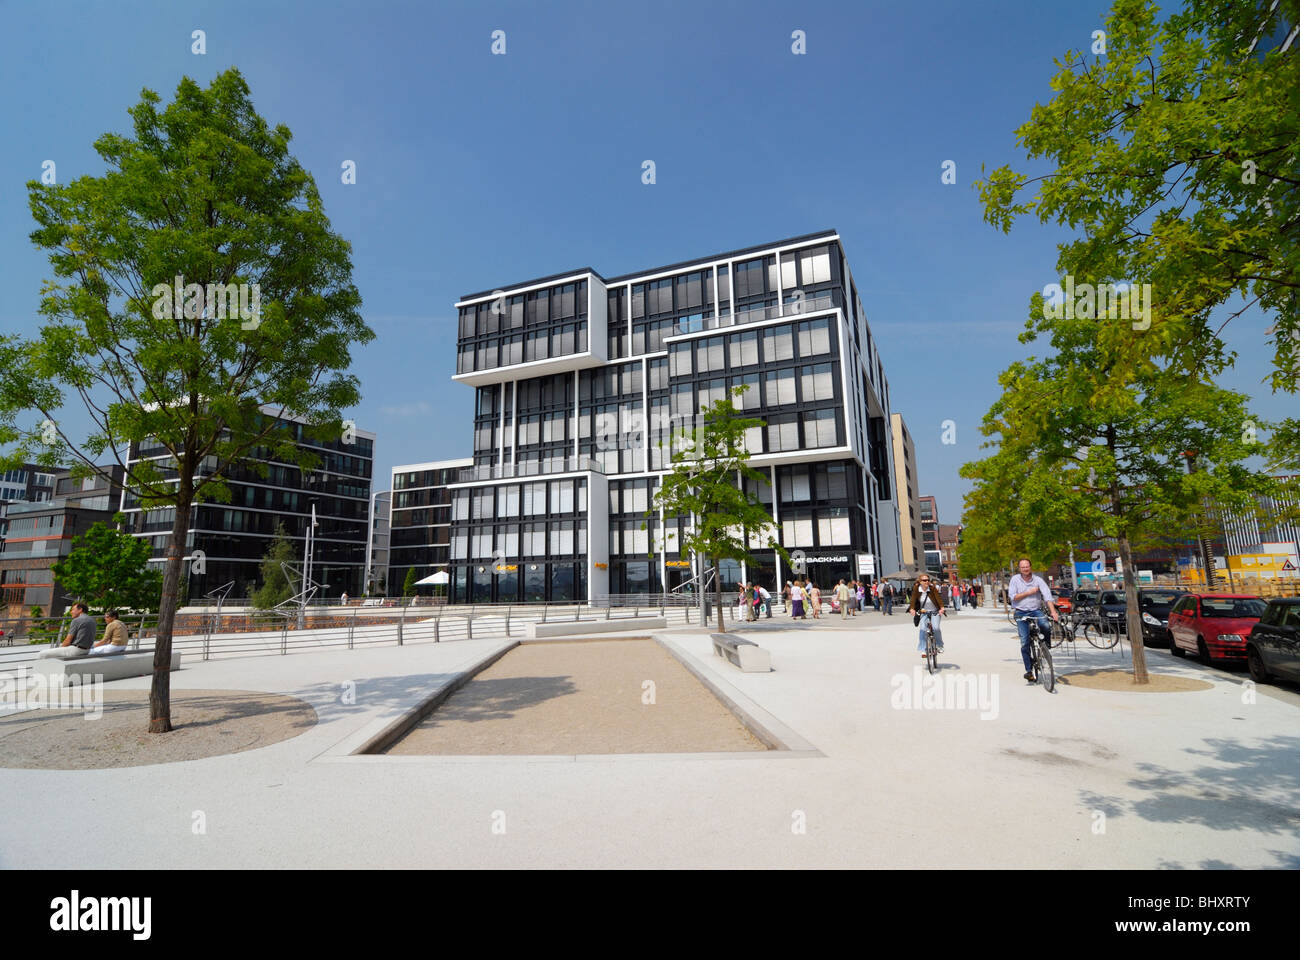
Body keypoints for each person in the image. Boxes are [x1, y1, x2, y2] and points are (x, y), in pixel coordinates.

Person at [1009, 557, 1060, 682]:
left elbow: (1047, 596)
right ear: (1019, 569)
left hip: (1035, 610)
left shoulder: (1038, 580)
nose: (1025, 569)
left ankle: (1046, 648)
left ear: (1030, 567)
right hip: (1021, 612)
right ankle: (1029, 670)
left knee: (1046, 626)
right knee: (1025, 641)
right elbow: (1013, 597)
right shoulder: (1015, 579)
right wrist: (1029, 592)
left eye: (1027, 566)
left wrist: (1053, 612)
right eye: (1023, 567)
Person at [907, 574, 946, 657]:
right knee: (922, 629)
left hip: (935, 611)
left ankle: (939, 645)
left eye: (928, 580)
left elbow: (938, 598)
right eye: (924, 580)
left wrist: (942, 608)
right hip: (923, 611)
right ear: (920, 582)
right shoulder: (917, 589)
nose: (927, 582)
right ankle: (923, 649)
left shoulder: (932, 588)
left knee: (936, 628)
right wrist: (912, 609)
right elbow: (913, 599)